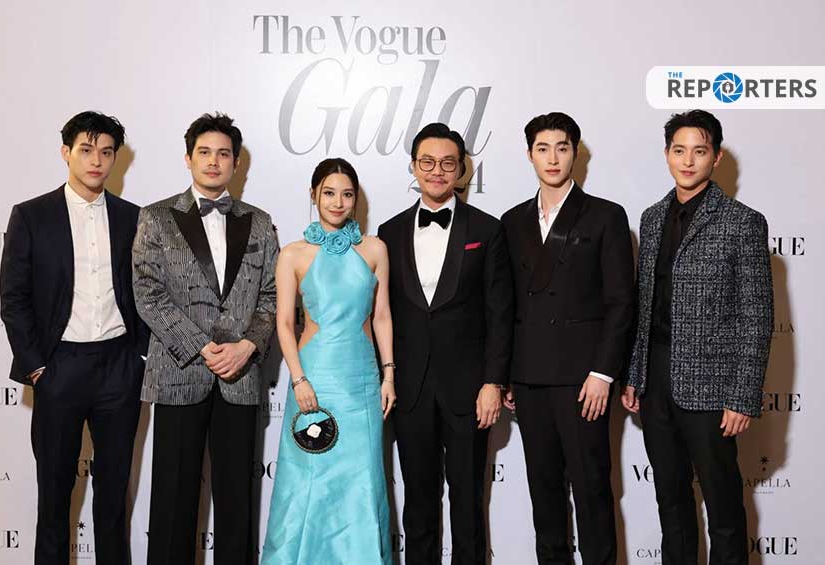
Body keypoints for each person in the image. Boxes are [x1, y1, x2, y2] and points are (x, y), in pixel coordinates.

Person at [622, 110, 773, 565]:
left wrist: (742, 395)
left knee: (723, 509)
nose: (688, 161)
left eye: (699, 151)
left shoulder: (742, 222)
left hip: (712, 387)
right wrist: (635, 375)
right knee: (671, 503)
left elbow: (757, 316)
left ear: (716, 157)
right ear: (667, 154)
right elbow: (644, 305)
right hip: (655, 381)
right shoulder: (651, 218)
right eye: (679, 150)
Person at [0, 111, 149, 565]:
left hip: (119, 368)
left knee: (113, 497)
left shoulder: (133, 218)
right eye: (86, 150)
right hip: (58, 368)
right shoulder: (31, 216)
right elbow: (13, 298)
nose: (96, 161)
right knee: (53, 496)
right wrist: (37, 367)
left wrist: (140, 358)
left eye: (106, 152)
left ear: (116, 158)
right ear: (66, 153)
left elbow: (147, 291)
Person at [132, 113, 278, 564]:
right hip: (179, 374)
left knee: (237, 503)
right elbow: (148, 292)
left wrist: (247, 346)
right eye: (204, 152)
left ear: (236, 163)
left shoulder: (259, 222)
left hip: (240, 377)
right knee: (173, 500)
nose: (214, 161)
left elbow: (272, 295)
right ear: (188, 158)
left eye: (223, 154)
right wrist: (199, 345)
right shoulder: (156, 218)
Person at [500, 112, 634, 565]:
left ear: (576, 153)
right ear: (529, 155)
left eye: (562, 147)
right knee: (544, 494)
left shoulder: (606, 216)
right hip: (530, 378)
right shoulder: (512, 221)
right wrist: (507, 374)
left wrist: (603, 373)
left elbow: (621, 302)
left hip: (583, 380)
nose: (553, 158)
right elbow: (507, 306)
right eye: (543, 148)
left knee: (592, 490)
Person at [378, 123, 513, 565]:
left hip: (469, 390)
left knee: (469, 502)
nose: (437, 171)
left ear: (461, 170)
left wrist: (493, 382)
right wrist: (387, 376)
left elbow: (499, 312)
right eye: (428, 162)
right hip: (410, 388)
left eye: (447, 163)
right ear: (414, 167)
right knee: (418, 503)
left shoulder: (488, 230)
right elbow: (382, 313)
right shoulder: (389, 231)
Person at [262, 158, 395, 564]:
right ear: (314, 195)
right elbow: (285, 324)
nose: (338, 202)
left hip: (362, 382)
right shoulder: (293, 254)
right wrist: (299, 379)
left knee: (363, 480)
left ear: (357, 199)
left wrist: (389, 375)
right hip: (314, 379)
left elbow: (382, 316)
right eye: (330, 193)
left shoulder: (375, 249)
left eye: (347, 194)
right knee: (307, 481)